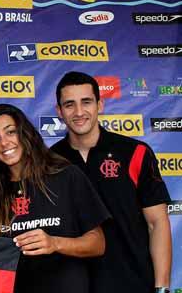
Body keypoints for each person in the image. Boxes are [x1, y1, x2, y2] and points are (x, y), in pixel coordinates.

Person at [51, 71, 172, 293]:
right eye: (69, 104)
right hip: (72, 285)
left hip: (132, 284)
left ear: (100, 104)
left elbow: (157, 224)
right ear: (59, 112)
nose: (79, 112)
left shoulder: (135, 152)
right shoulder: (49, 162)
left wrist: (162, 288)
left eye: (86, 102)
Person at [0, 103, 110, 293]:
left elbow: (98, 243)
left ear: (25, 133)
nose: (4, 143)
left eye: (10, 132)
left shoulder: (66, 176)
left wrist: (55, 243)